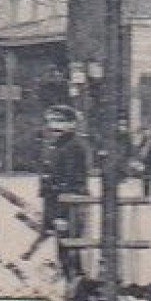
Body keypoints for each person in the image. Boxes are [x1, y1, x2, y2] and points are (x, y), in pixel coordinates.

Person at [40, 105, 90, 278]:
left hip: (70, 206)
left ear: (72, 124)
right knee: (64, 249)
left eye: (60, 121)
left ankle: (76, 290)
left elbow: (70, 183)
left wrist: (61, 214)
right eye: (51, 121)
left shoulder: (73, 147)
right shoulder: (57, 145)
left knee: (70, 250)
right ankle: (72, 286)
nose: (54, 125)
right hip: (58, 204)